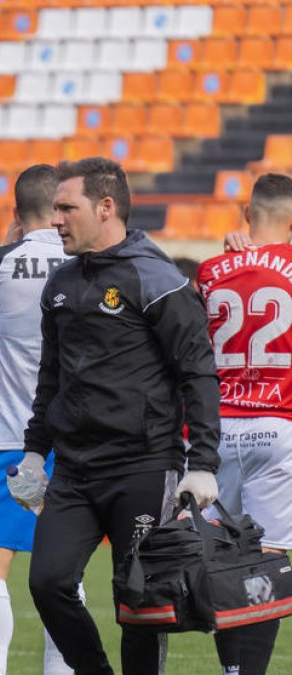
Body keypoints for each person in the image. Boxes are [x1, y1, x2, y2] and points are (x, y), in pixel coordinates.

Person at [22, 157, 221, 675]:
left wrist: (202, 463)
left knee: (139, 602)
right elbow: (50, 378)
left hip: (144, 465)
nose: (55, 219)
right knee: (47, 581)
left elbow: (198, 373)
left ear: (106, 207)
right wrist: (30, 453)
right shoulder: (60, 283)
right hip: (72, 471)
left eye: (67, 208)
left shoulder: (158, 279)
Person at [0, 165, 76, 675]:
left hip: (12, 438)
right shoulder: (84, 260)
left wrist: (9, 248)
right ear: (60, 210)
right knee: (63, 576)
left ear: (17, 214)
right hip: (75, 439)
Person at [197, 173, 292, 675]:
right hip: (277, 425)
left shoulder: (212, 270)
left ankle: (231, 670)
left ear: (245, 212)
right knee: (268, 557)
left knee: (223, 556)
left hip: (220, 429)